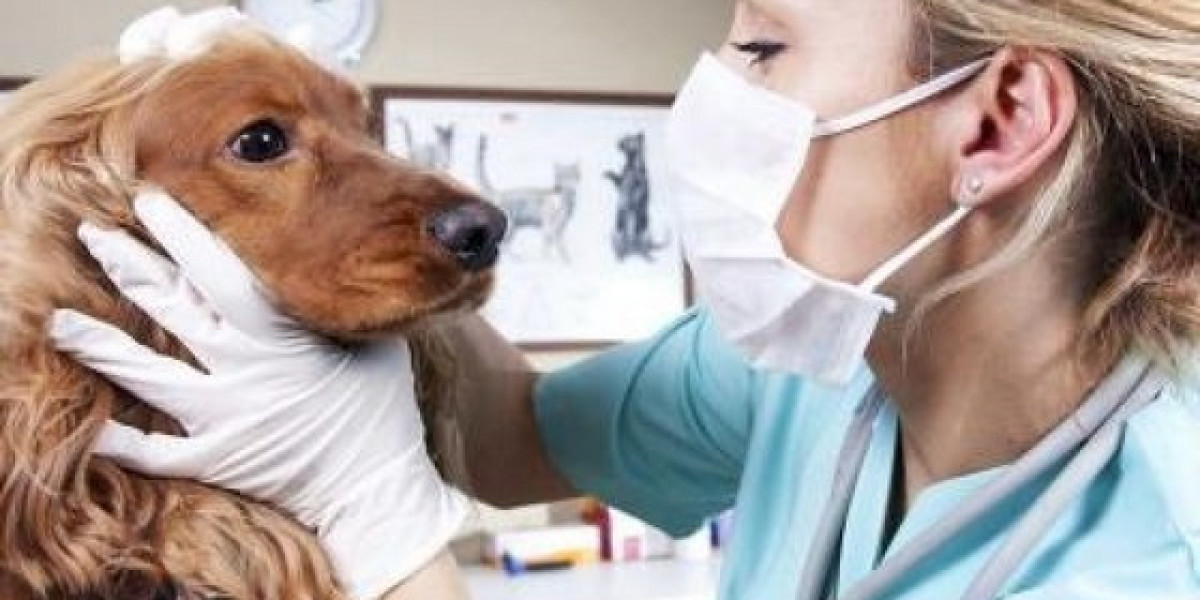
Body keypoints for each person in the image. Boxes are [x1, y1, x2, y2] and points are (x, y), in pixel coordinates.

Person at [49, 0, 1200, 598]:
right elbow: (512, 434)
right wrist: (373, 253)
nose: (712, 88)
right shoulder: (803, 371)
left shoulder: (1161, 551)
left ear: (998, 124)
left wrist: (378, 522)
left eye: (762, 46)